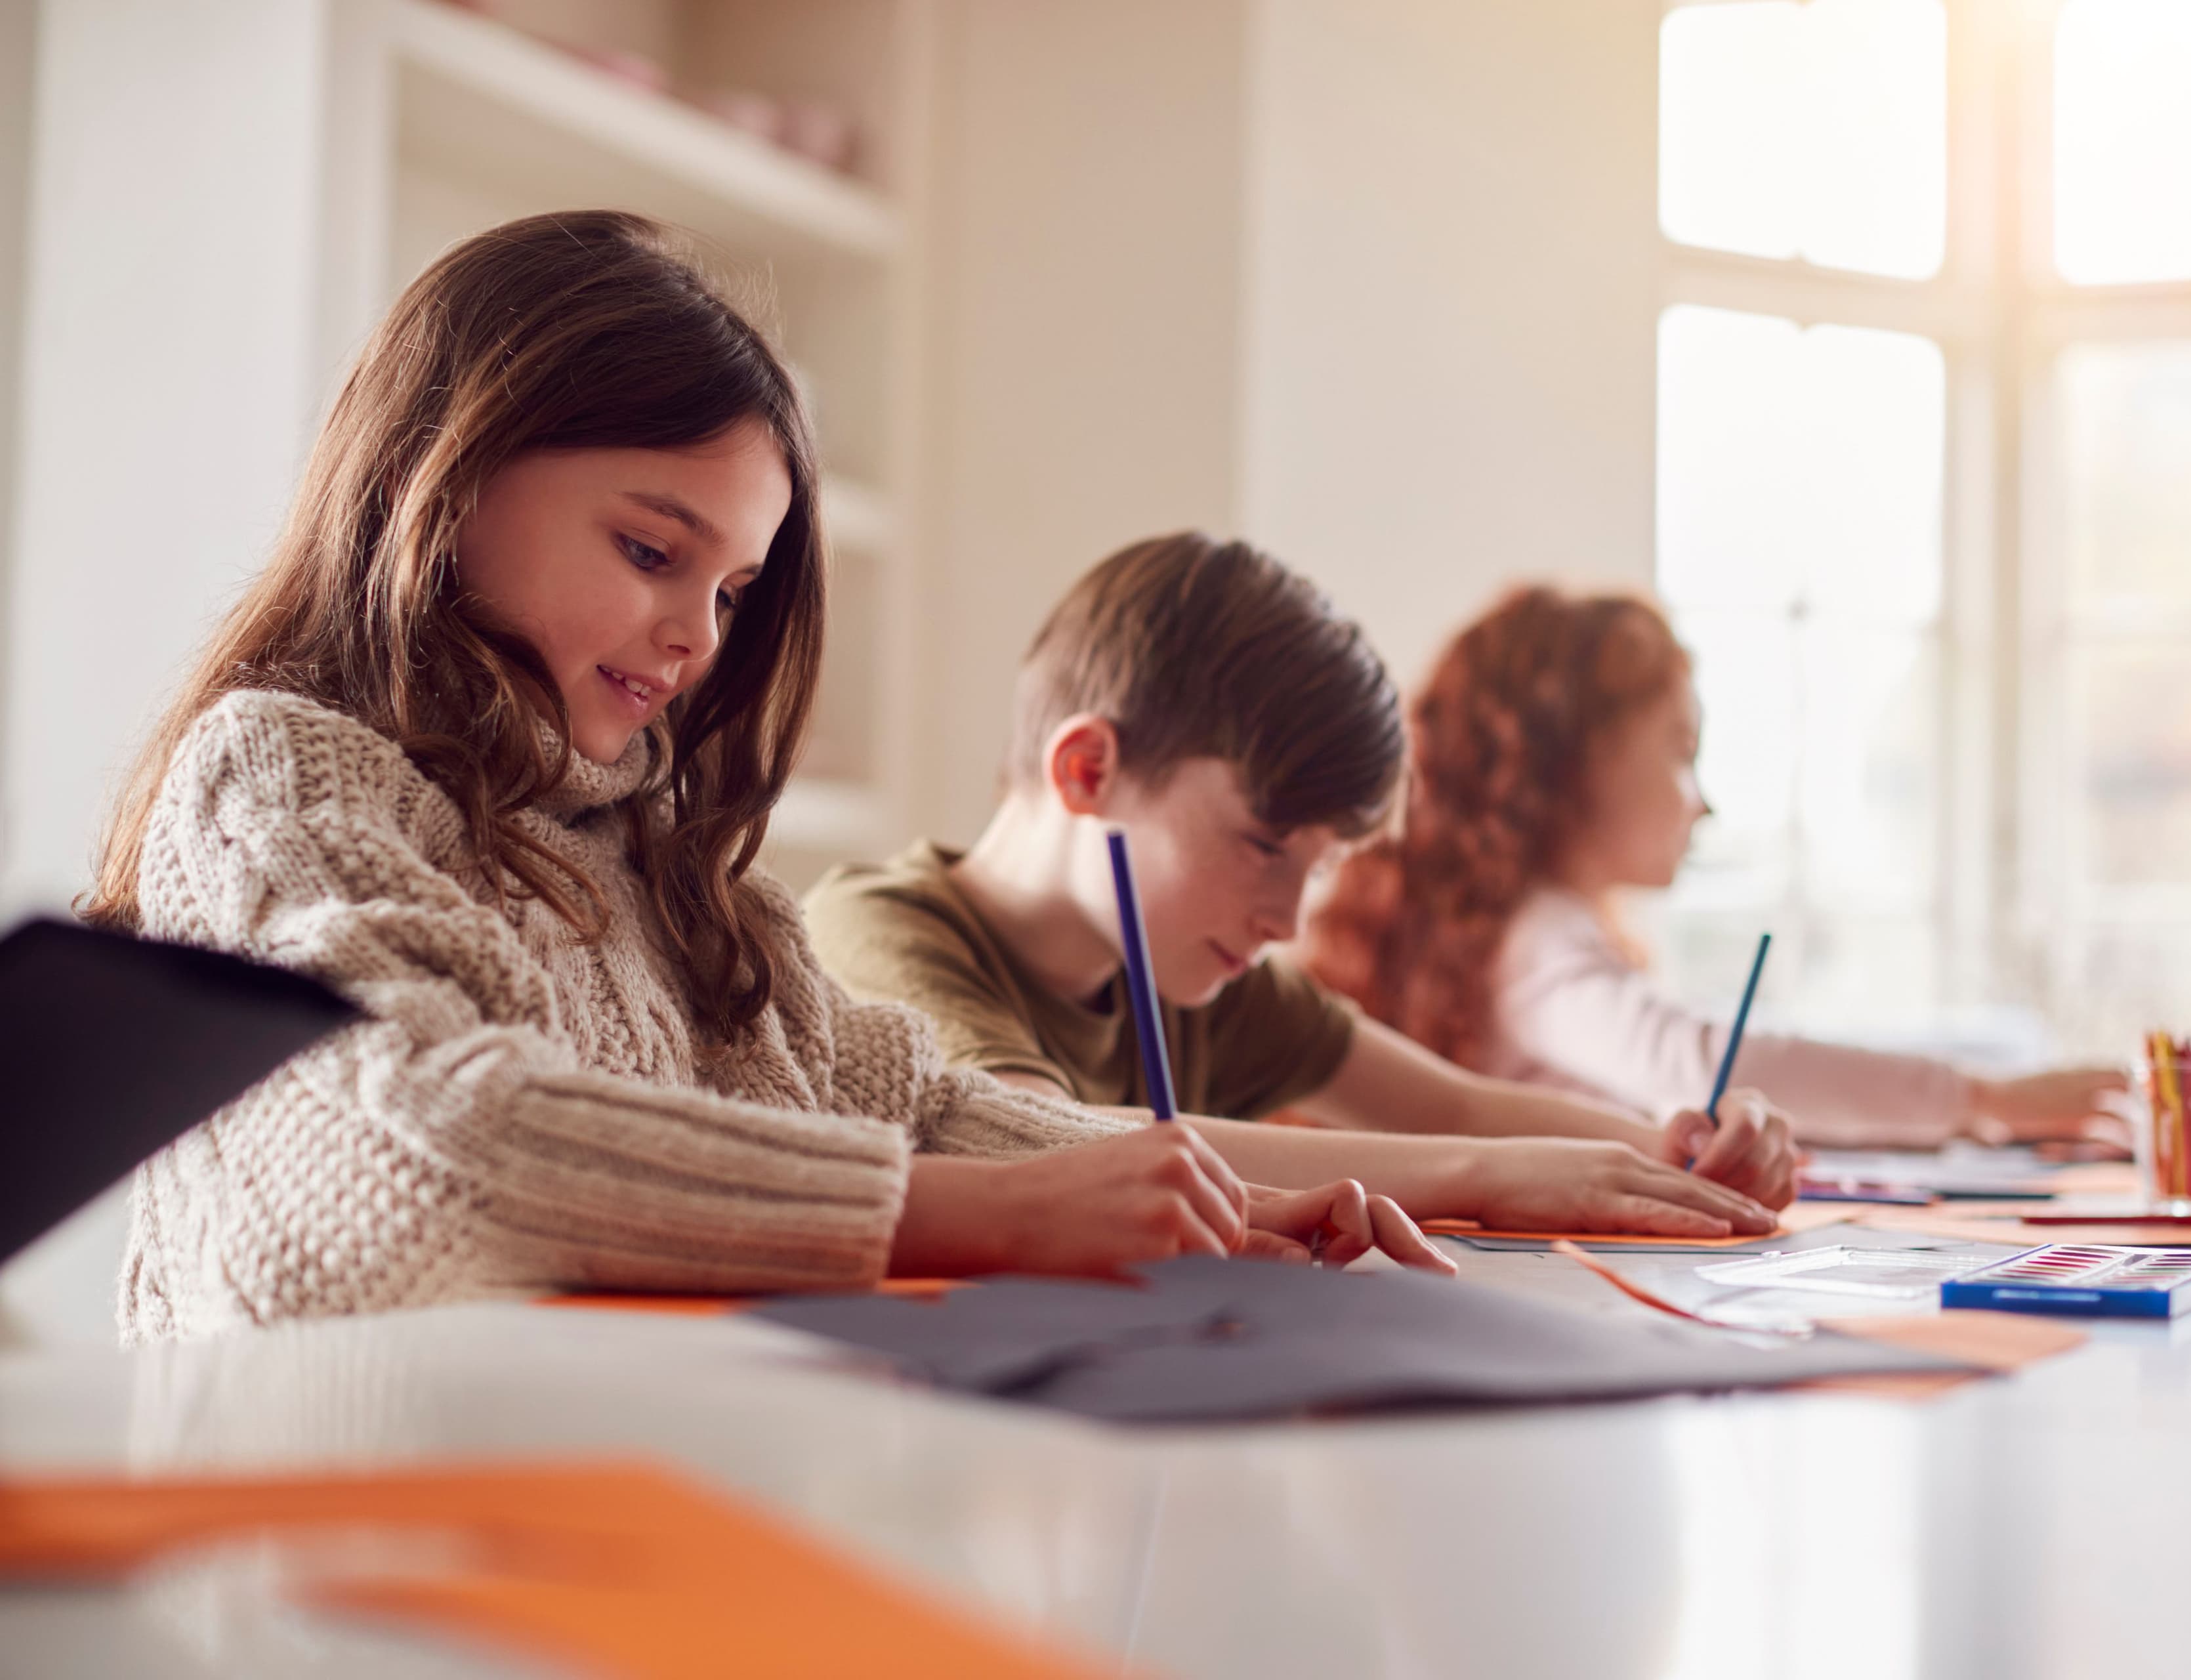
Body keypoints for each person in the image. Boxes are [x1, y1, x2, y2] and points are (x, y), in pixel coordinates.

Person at [87, 213, 1440, 1345]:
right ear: (442, 474)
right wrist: (992, 1215)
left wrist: (1208, 1199)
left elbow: (910, 1103)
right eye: (649, 550)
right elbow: (439, 1137)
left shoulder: (651, 847)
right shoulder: (278, 772)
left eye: (734, 587)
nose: (699, 635)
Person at [802, 534, 1798, 1237]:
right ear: (1089, 774)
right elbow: (1046, 1146)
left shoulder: (1184, 968)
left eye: (1315, 869)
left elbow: (1449, 1108)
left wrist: (1675, 1156)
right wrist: (1490, 1181)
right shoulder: (876, 932)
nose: (1283, 922)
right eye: (1263, 845)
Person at [1302, 585, 2128, 1152]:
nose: (1703, 803)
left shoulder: (1518, 929)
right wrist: (1983, 1100)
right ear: (1574, 764)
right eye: (1681, 751)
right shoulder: (1534, 938)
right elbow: (1699, 1066)